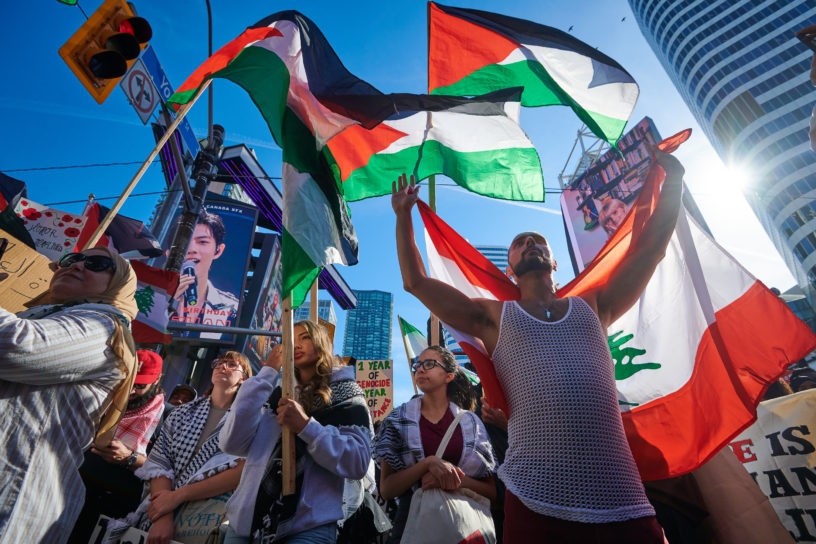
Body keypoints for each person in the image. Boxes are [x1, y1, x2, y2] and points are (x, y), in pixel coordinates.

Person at [390, 145, 685, 543]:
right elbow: (417, 284)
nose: (530, 243)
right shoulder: (494, 317)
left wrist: (676, 181)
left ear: (554, 262)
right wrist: (404, 216)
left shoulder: (595, 306)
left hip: (621, 495)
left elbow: (651, 249)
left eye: (538, 240)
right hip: (535, 497)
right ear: (509, 268)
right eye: (519, 243)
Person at [0, 248, 138, 544]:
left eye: (97, 264)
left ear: (120, 285)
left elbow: (15, 347)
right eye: (69, 259)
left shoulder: (105, 327)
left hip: (14, 493)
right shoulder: (38, 316)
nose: (75, 266)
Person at [219, 320, 371, 543]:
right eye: (291, 339)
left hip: (308, 527)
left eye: (305, 337)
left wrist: (305, 427)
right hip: (247, 523)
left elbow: (357, 462)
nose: (296, 345)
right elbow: (231, 444)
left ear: (322, 343)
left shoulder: (348, 395)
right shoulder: (275, 392)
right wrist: (266, 374)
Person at [106, 352, 252, 543]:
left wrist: (179, 496)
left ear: (244, 378)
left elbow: (243, 471)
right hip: (160, 512)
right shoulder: (182, 413)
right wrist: (163, 516)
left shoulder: (249, 420)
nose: (223, 367)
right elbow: (159, 461)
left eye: (232, 364)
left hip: (204, 518)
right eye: (219, 363)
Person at [373, 345, 497, 543]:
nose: (420, 369)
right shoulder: (396, 420)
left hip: (464, 525)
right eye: (418, 365)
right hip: (412, 523)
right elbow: (387, 489)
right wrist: (426, 464)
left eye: (429, 364)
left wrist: (449, 479)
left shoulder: (472, 423)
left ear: (448, 375)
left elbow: (491, 491)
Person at [68, 349, 166, 543]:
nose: (130, 391)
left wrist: (130, 458)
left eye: (139, 385)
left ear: (156, 381)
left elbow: (164, 470)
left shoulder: (168, 418)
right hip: (73, 491)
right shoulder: (101, 399)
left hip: (117, 508)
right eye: (126, 381)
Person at [169, 210, 239, 340]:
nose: (191, 249)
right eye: (184, 242)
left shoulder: (233, 308)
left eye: (202, 242)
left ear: (218, 250)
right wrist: (168, 302)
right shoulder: (149, 296)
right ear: (169, 253)